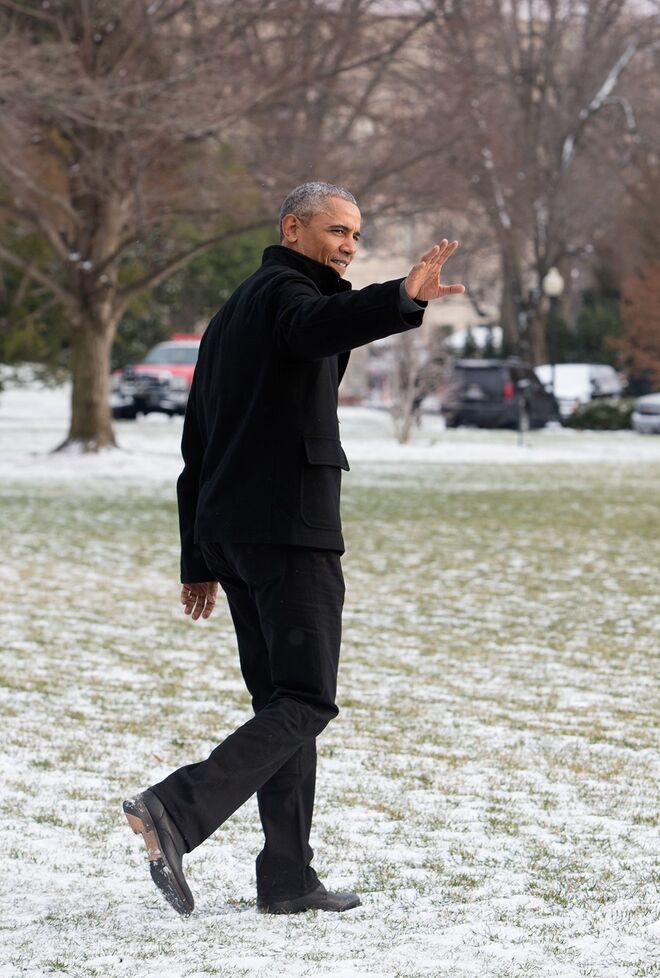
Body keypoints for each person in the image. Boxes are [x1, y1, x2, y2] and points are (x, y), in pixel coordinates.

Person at [123, 181, 464, 917]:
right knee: (306, 698)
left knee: (281, 705)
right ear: (292, 228)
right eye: (336, 231)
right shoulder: (285, 296)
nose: (348, 244)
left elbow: (198, 447)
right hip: (287, 533)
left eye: (356, 236)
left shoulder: (232, 313)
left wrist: (198, 558)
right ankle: (176, 809)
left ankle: (286, 877)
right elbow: (319, 325)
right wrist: (400, 296)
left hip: (236, 534)